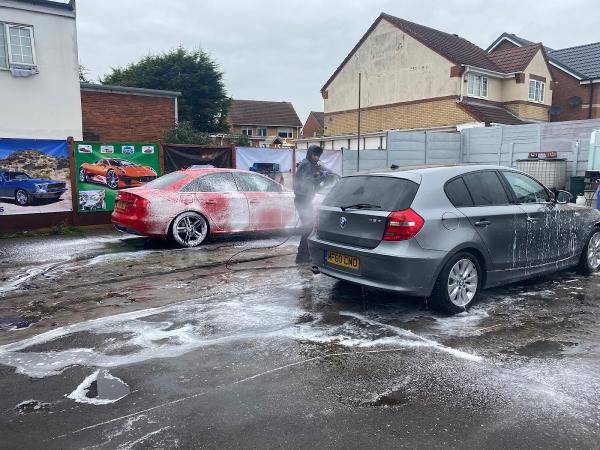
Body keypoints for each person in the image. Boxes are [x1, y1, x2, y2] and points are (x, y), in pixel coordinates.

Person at [294, 145, 324, 264]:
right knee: (308, 227)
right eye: (315, 155)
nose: (317, 158)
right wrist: (320, 178)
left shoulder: (306, 163)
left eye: (318, 156)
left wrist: (317, 176)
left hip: (303, 200)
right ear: (310, 154)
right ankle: (302, 257)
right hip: (303, 200)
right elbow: (307, 182)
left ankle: (303, 255)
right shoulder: (306, 164)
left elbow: (307, 179)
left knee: (308, 227)